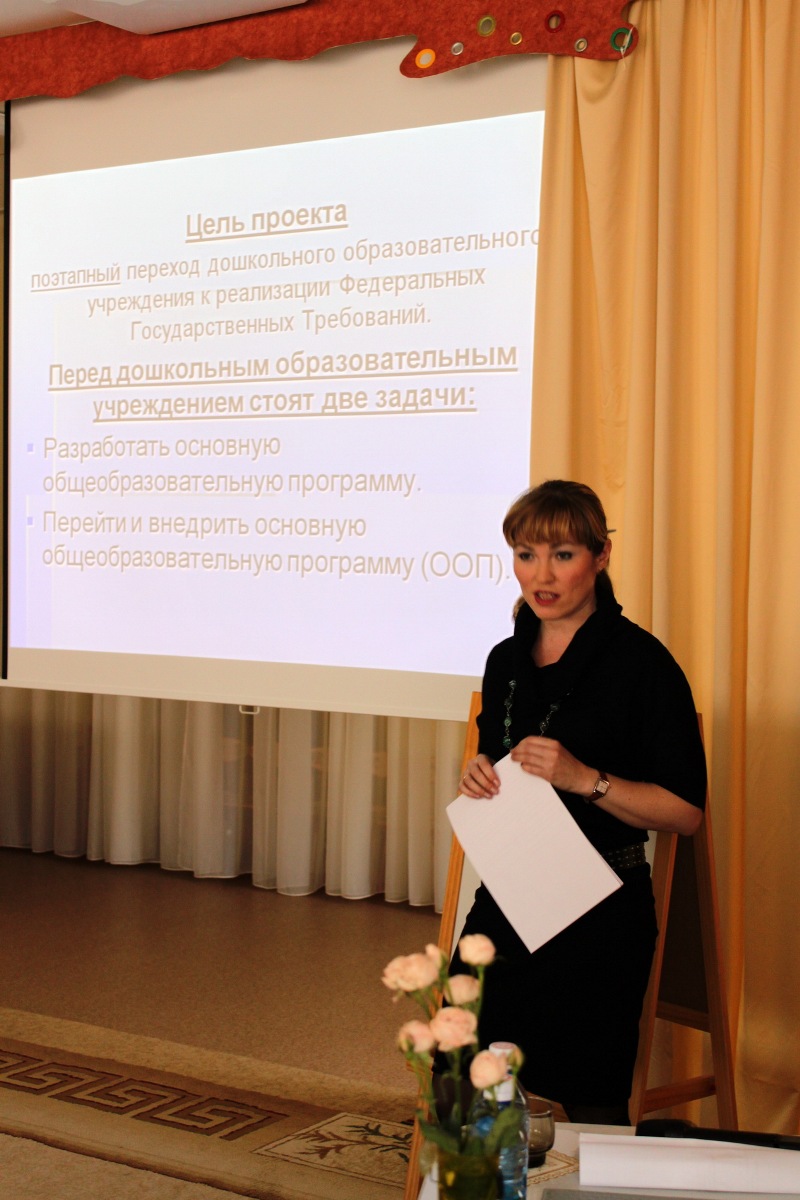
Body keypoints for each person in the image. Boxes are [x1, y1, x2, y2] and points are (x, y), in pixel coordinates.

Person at [451, 480, 707, 1126]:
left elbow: (685, 813)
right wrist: (479, 774)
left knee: (590, 1099)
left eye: (562, 555)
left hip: (602, 906)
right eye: (526, 555)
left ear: (601, 556)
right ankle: (482, 1171)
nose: (541, 575)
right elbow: (500, 761)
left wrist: (586, 779)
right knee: (460, 1076)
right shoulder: (505, 661)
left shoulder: (643, 665)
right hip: (511, 896)